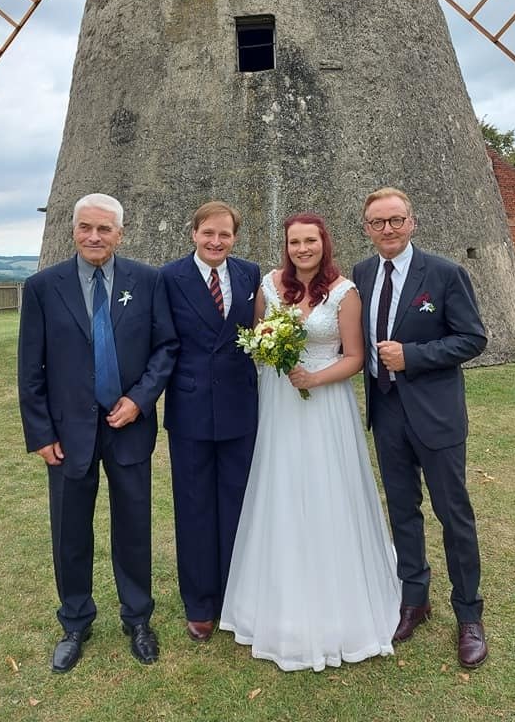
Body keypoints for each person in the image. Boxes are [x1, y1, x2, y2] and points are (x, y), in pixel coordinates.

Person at [220, 213, 401, 671]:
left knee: (327, 487)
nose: (303, 249)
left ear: (324, 244)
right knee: (279, 485)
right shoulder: (269, 285)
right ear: (286, 245)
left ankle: (339, 594)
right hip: (279, 400)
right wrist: (272, 351)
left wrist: (315, 377)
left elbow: (356, 357)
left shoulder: (343, 291)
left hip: (325, 401)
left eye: (311, 242)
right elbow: (259, 341)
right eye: (295, 242)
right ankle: (276, 597)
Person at [18, 193, 178, 672]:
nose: (94, 236)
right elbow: (31, 370)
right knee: (69, 532)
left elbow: (166, 347)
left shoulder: (147, 281)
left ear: (120, 234)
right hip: (68, 435)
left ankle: (138, 618)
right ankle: (75, 620)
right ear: (73, 230)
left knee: (133, 527)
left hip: (127, 426)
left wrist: (139, 400)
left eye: (104, 229)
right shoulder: (44, 286)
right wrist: (41, 433)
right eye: (86, 227)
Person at [352, 187, 488, 669]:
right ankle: (415, 600)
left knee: (454, 514)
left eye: (395, 220)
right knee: (403, 511)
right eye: (377, 222)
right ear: (366, 228)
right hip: (386, 412)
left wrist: (413, 357)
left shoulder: (447, 274)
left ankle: (469, 614)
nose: (387, 229)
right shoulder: (362, 274)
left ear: (412, 222)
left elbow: (472, 338)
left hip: (436, 415)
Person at [160, 201, 260, 642]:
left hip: (240, 407)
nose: (216, 241)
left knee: (239, 505)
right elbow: (163, 341)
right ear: (194, 233)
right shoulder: (169, 278)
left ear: (234, 237)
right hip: (191, 409)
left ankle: (236, 596)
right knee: (195, 506)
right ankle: (200, 603)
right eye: (208, 234)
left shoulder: (250, 274)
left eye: (225, 234)